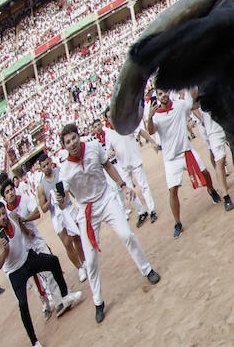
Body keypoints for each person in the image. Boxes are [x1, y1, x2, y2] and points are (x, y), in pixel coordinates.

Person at [57, 123, 162, 323]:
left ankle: (147, 270)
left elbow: (108, 166)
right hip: (87, 210)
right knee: (90, 260)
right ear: (64, 146)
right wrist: (60, 200)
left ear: (79, 137)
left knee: (127, 234)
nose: (72, 143)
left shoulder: (94, 147)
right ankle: (98, 301)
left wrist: (123, 185)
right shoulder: (65, 171)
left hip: (106, 198)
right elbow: (64, 200)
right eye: (67, 142)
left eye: (74, 138)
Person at [0, 201, 79, 347]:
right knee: (23, 304)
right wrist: (4, 251)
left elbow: (20, 223)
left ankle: (65, 296)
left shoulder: (12, 216)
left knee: (53, 261)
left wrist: (27, 231)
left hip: (27, 258)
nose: (2, 217)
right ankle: (34, 342)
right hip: (15, 272)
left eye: (3, 213)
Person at [144, 88, 221, 239]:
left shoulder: (179, 105)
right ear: (157, 97)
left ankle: (212, 191)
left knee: (205, 173)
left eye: (165, 92)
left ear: (168, 92)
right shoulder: (156, 115)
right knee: (173, 190)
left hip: (187, 151)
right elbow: (151, 131)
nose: (163, 95)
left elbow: (194, 105)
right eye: (160, 94)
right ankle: (177, 222)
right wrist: (150, 117)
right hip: (171, 158)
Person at [101, 112, 156, 227]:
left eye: (112, 115)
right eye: (109, 117)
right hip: (123, 166)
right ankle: (141, 211)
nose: (111, 118)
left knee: (144, 186)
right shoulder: (109, 134)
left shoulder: (126, 124)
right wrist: (109, 153)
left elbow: (140, 132)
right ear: (107, 119)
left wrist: (152, 141)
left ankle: (152, 210)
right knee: (128, 192)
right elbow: (108, 149)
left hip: (135, 161)